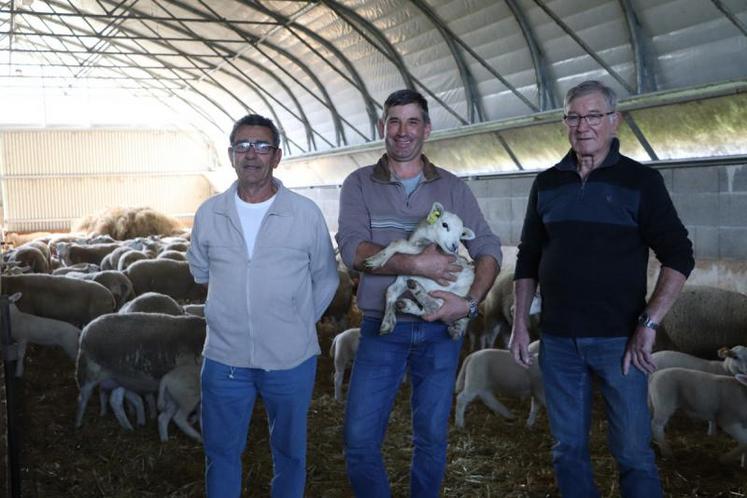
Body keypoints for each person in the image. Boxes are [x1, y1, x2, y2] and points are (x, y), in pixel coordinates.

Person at [510, 80, 694, 498]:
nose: (583, 125)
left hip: (621, 342)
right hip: (557, 342)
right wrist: (521, 324)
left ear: (615, 120)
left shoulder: (641, 182)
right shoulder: (547, 183)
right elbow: (528, 257)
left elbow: (680, 255)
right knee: (567, 448)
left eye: (593, 115)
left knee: (631, 450)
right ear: (564, 123)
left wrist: (649, 322)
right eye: (573, 116)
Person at [336, 89, 502, 498]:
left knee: (431, 438)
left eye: (412, 122)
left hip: (440, 332)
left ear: (426, 129)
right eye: (394, 121)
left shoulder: (453, 187)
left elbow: (488, 248)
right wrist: (415, 264)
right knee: (358, 439)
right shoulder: (359, 184)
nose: (403, 131)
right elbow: (353, 250)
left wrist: (470, 303)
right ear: (382, 128)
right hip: (380, 329)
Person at [187, 113, 339, 498]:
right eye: (242, 146)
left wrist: (299, 323)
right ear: (231, 155)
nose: (251, 154)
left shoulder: (304, 213)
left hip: (290, 360)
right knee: (221, 452)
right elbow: (202, 274)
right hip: (225, 358)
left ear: (277, 156)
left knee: (289, 452)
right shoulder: (209, 213)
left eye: (261, 146)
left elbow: (326, 277)